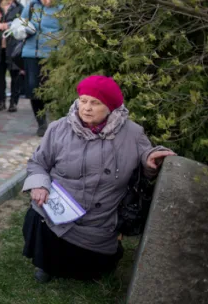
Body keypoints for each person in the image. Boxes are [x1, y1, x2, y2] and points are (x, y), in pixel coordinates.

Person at [22, 75, 175, 283]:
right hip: (59, 210)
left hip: (100, 222)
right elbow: (38, 162)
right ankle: (46, 264)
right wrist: (40, 185)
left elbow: (146, 161)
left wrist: (151, 159)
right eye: (83, 101)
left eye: (95, 103)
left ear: (110, 106)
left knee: (92, 273)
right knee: (37, 217)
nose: (86, 108)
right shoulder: (59, 128)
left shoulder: (132, 133)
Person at [18, 0, 63, 136]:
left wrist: (57, 42)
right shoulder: (32, 6)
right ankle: (41, 122)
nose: (48, 1)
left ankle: (54, 121)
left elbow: (67, 32)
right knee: (33, 87)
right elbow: (19, 23)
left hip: (51, 55)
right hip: (31, 53)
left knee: (50, 88)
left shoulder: (61, 9)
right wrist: (25, 29)